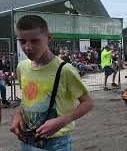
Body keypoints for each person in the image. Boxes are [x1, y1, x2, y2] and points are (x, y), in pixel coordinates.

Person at [10, 15, 93, 150]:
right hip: (27, 140)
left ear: (48, 38)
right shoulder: (22, 67)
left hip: (57, 143)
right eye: (22, 41)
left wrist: (62, 121)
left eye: (35, 41)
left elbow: (87, 103)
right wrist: (18, 115)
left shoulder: (65, 70)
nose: (28, 47)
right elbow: (27, 100)